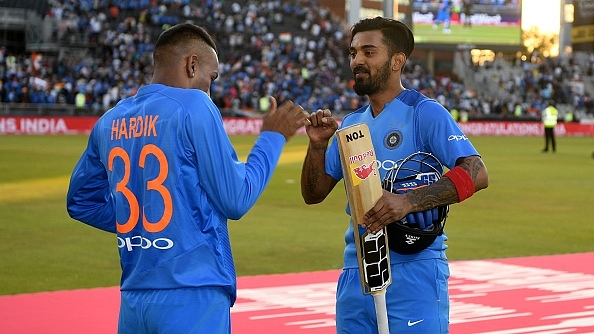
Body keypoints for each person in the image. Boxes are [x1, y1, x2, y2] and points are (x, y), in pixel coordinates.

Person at [66, 23, 308, 334]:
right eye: (212, 77)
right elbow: (236, 199)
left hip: (134, 300)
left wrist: (143, 221)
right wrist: (272, 139)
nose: (211, 87)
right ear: (192, 65)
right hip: (193, 294)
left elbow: (80, 203)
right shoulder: (194, 105)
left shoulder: (110, 120)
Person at [300, 17, 489, 333]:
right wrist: (318, 147)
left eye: (369, 52)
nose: (357, 60)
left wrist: (408, 201)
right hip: (356, 272)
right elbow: (314, 193)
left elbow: (477, 172)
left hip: (414, 271)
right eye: (354, 52)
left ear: (397, 61)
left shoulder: (424, 112)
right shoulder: (350, 125)